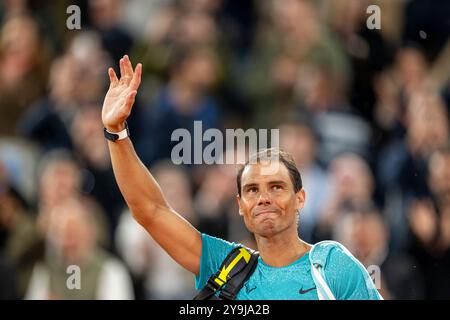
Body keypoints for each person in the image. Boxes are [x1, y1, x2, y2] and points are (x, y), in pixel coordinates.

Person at [101, 55, 383, 300]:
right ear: (239, 204)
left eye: (276, 187)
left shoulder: (331, 264)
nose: (263, 198)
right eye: (251, 190)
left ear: (300, 198)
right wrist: (116, 132)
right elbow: (150, 210)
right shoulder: (226, 265)